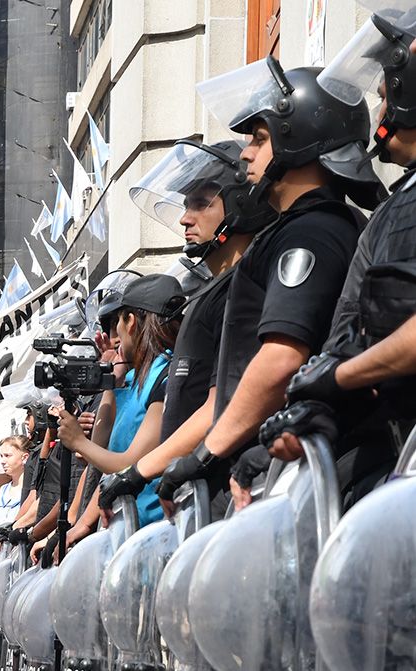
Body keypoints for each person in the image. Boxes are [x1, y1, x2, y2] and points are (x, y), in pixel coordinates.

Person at [159, 55, 378, 509]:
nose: (245, 153)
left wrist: (205, 454)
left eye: (259, 138)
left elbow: (281, 358)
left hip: (276, 482)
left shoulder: (313, 230)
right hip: (268, 476)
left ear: (298, 137)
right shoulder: (301, 228)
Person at [255, 18, 416, 501]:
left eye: (387, 94)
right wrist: (318, 404)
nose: (381, 108)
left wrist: (335, 379)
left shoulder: (327, 226)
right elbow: (354, 329)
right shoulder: (396, 204)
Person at [98, 139, 273, 515]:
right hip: (194, 496)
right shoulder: (217, 288)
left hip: (226, 495)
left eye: (199, 203)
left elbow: (222, 402)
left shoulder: (246, 285)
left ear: (240, 202)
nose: (184, 218)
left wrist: (140, 470)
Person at [57, 274, 183, 534]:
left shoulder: (165, 376)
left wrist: (78, 441)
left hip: (155, 529)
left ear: (132, 322)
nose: (114, 338)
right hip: (125, 529)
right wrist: (110, 383)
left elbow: (129, 463)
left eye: (118, 324)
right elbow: (102, 451)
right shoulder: (132, 380)